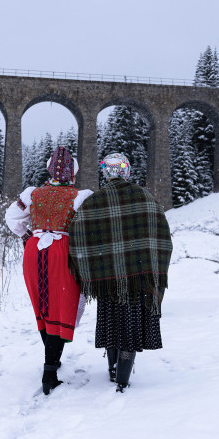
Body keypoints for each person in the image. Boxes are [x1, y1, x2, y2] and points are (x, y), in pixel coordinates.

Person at [68, 152, 173, 392]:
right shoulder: (144, 197)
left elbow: (78, 237)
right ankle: (122, 379)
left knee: (112, 321)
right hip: (138, 278)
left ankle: (113, 369)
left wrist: (92, 269)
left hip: (107, 278)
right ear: (127, 171)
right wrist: (153, 269)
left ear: (105, 172)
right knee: (131, 326)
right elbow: (162, 237)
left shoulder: (94, 201)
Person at [5, 146, 92, 394]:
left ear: (49, 169)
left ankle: (52, 360)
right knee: (63, 307)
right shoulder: (81, 196)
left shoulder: (32, 193)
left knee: (43, 304)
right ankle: (49, 371)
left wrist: (27, 235)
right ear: (72, 173)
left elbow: (12, 218)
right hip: (62, 251)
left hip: (35, 251)